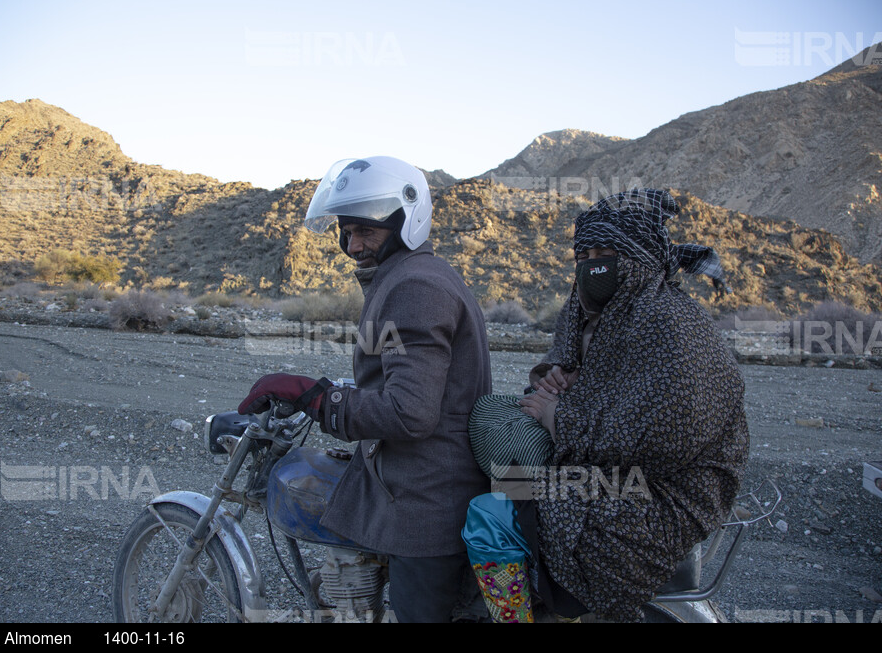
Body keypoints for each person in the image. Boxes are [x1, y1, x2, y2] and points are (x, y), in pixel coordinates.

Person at [463, 188, 749, 622]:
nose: (593, 263)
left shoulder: (670, 327)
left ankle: (517, 613)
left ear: (638, 257)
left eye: (607, 252)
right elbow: (585, 379)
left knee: (489, 511)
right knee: (499, 470)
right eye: (585, 253)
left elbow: (655, 439)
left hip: (655, 495)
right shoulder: (591, 309)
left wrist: (555, 414)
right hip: (613, 475)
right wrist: (560, 379)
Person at [237, 156, 492, 622]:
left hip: (425, 506)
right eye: (346, 231)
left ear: (403, 222)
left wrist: (315, 397)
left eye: (366, 232)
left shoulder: (415, 287)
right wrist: (332, 391)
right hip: (425, 489)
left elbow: (410, 412)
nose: (353, 246)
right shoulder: (415, 275)